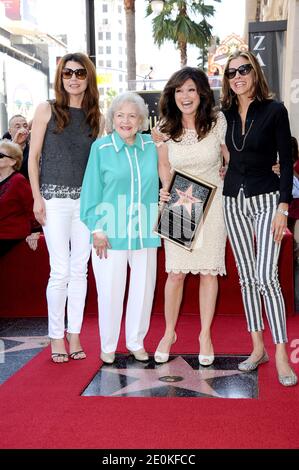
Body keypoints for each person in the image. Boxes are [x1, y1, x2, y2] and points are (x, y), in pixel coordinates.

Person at [221, 49, 297, 386]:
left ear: (255, 73)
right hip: (232, 201)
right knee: (247, 278)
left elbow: (286, 160)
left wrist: (284, 207)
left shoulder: (275, 111)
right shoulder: (222, 115)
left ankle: (281, 353)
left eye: (244, 69)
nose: (238, 76)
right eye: (231, 72)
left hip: (267, 199)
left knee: (267, 276)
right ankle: (258, 348)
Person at [28, 52, 103, 363]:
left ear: (88, 78)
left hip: (85, 203)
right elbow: (32, 158)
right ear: (60, 77)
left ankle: (75, 334)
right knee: (59, 271)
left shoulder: (95, 116)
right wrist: (36, 197)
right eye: (68, 73)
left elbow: (99, 165)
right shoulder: (47, 109)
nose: (73, 78)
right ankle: (56, 335)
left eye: (80, 73)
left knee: (79, 271)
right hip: (54, 200)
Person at [152, 67, 227, 365]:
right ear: (172, 94)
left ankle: (204, 335)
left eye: (191, 90)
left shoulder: (217, 121)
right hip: (181, 201)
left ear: (202, 94)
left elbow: (230, 156)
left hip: (213, 202)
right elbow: (164, 167)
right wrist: (165, 191)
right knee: (176, 273)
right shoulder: (164, 128)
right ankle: (169, 333)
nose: (185, 96)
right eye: (179, 90)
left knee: (209, 272)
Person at [80, 92, 160, 364]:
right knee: (111, 292)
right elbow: (91, 191)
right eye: (120, 115)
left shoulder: (152, 146)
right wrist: (96, 229)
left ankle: (136, 341)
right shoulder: (100, 149)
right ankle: (109, 345)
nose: (126, 121)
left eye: (132, 116)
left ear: (141, 121)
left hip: (145, 228)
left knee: (143, 290)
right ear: (113, 118)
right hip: (109, 230)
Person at [0, 139, 39, 256]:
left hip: (9, 234)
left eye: (0, 155)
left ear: (12, 161)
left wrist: (35, 231)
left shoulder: (18, 181)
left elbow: (32, 206)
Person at [6, 115, 30, 180]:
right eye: (18, 127)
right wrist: (14, 143)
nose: (22, 129)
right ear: (10, 131)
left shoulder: (32, 149)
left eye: (25, 126)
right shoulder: (3, 147)